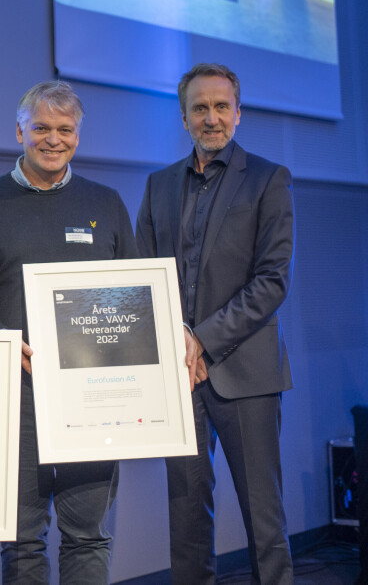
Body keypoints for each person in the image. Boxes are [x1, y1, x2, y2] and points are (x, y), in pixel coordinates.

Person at [0, 81, 137, 584]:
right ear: (19, 131)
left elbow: (135, 302)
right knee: (22, 541)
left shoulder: (107, 203)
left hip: (92, 399)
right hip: (15, 401)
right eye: (41, 128)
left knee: (88, 535)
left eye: (65, 129)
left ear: (78, 135)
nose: (53, 139)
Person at [135, 63, 294, 584]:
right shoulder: (158, 186)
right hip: (178, 382)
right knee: (186, 528)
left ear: (238, 113)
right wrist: (174, 343)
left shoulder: (269, 179)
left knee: (264, 526)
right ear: (184, 119)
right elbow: (143, 277)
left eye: (221, 106)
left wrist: (199, 340)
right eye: (199, 108)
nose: (211, 118)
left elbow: (271, 282)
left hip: (245, 376)